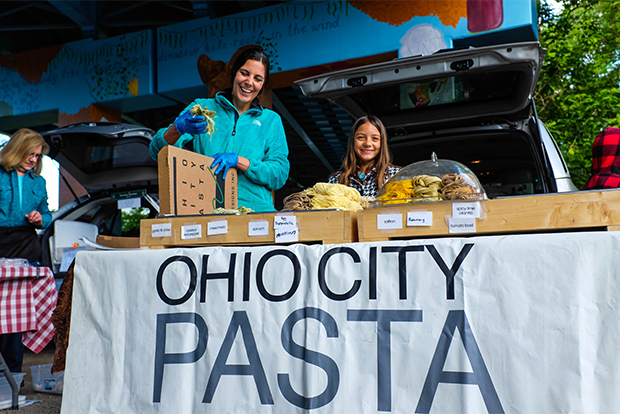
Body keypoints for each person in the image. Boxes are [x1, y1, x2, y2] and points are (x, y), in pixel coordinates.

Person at [149, 47, 290, 212]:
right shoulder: (202, 109)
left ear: (263, 84)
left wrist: (239, 161)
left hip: (256, 215)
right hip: (207, 212)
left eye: (258, 78)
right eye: (244, 73)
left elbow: (279, 174)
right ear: (234, 74)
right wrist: (177, 128)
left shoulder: (271, 121)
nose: (249, 82)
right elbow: (157, 152)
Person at [0, 128, 52, 373]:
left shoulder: (39, 182)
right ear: (15, 151)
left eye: (38, 156)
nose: (33, 159)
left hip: (25, 250)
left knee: (15, 320)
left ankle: (12, 375)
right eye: (29, 154)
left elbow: (47, 212)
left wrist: (42, 218)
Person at [328, 115, 400, 197]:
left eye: (375, 138)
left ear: (382, 143)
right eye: (361, 137)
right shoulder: (336, 181)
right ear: (353, 141)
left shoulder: (396, 176)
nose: (367, 143)